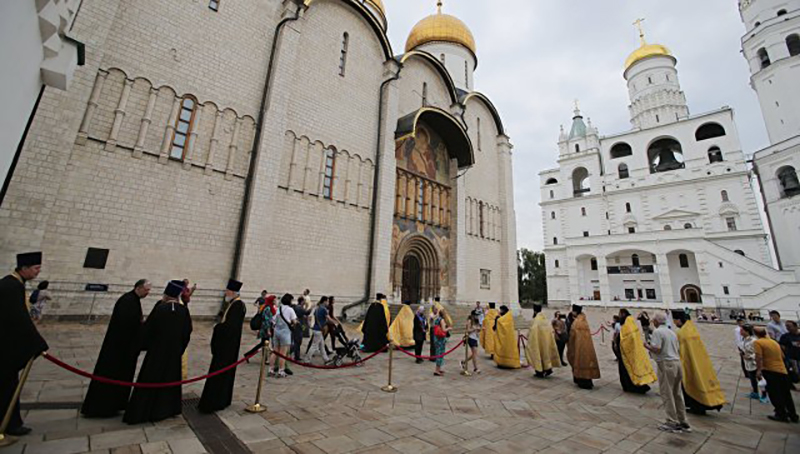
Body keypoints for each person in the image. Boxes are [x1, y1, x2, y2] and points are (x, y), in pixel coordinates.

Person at [124, 280, 193, 424]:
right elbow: (187, 332)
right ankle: (168, 408)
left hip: (156, 353)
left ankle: (144, 410)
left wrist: (144, 346)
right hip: (173, 354)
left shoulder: (160, 308)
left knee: (151, 378)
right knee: (171, 380)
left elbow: (148, 330)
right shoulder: (183, 311)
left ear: (166, 295)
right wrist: (179, 348)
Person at [82, 279, 151, 418]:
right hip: (119, 350)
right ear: (138, 287)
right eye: (146, 289)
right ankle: (104, 407)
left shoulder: (132, 300)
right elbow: (128, 325)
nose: (148, 293)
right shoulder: (128, 301)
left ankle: (117, 404)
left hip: (124, 348)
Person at [0, 252, 49, 436]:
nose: (38, 272)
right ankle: (9, 424)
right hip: (4, 349)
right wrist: (37, 343)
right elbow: (19, 319)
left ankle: (11, 422)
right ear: (24, 268)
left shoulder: (13, 284)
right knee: (7, 387)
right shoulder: (11, 286)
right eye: (36, 268)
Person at [198, 279, 246, 413]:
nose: (225, 292)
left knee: (220, 373)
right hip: (229, 346)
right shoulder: (234, 304)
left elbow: (230, 328)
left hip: (226, 348)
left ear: (232, 292)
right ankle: (222, 398)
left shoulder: (237, 306)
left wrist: (218, 328)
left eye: (227, 290)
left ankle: (215, 400)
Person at [671, 310, 726, 415]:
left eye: (674, 320)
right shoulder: (691, 329)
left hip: (688, 362)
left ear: (678, 320)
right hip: (700, 361)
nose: (674, 323)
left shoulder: (681, 333)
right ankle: (703, 403)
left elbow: (677, 349)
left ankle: (695, 406)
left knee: (691, 383)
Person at [644, 312, 690, 433]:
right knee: (677, 394)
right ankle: (683, 420)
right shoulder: (672, 332)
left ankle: (672, 421)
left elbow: (657, 349)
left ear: (656, 322)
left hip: (666, 364)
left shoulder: (658, 332)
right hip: (676, 363)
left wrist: (647, 346)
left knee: (667, 393)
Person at [754, 327, 798, 423]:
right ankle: (793, 415)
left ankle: (781, 414)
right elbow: (782, 356)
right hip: (782, 371)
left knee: (775, 394)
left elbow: (759, 357)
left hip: (770, 370)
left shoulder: (758, 342)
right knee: (786, 395)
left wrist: (759, 370)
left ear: (756, 334)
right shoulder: (773, 342)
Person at [617, 309, 656, 394]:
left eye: (620, 314)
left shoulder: (627, 326)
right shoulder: (631, 323)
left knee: (628, 370)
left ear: (623, 314)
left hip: (628, 354)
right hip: (631, 352)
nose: (619, 316)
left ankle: (632, 386)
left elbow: (627, 340)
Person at [567, 304, 600, 389]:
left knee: (580, 361)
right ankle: (587, 381)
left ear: (575, 311)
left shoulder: (577, 322)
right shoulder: (583, 320)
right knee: (585, 362)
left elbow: (573, 335)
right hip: (586, 346)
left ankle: (581, 380)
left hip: (578, 346)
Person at [524, 304, 560, 378]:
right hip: (546, 341)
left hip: (537, 341)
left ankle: (539, 371)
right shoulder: (545, 319)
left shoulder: (535, 320)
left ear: (534, 311)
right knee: (545, 354)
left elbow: (532, 331)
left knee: (537, 354)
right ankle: (548, 368)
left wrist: (528, 337)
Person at [268, 294, 297, 378]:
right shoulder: (290, 310)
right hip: (285, 332)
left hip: (277, 331)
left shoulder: (278, 308)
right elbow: (294, 321)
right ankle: (281, 371)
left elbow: (273, 320)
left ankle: (271, 369)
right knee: (283, 353)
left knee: (275, 351)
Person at [741, 324, 768, 402]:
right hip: (748, 363)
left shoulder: (754, 340)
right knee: (752, 379)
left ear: (747, 331)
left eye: (742, 330)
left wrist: (750, 357)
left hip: (755, 363)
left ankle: (764, 395)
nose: (741, 331)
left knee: (760, 379)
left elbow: (758, 352)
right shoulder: (744, 339)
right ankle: (755, 393)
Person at [307, 297, 331, 363]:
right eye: (327, 301)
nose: (328, 303)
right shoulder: (323, 309)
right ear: (324, 301)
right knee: (314, 346)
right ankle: (307, 360)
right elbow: (328, 318)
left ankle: (326, 359)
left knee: (322, 345)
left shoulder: (317, 308)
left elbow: (310, 317)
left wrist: (310, 325)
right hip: (319, 330)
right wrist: (335, 323)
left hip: (316, 328)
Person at [431, 306, 451, 376]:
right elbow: (443, 330)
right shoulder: (442, 320)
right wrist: (449, 328)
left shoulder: (437, 319)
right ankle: (437, 370)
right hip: (440, 339)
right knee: (440, 354)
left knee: (439, 353)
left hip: (437, 338)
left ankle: (438, 369)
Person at [779, 320, 800, 386]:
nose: (787, 328)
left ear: (796, 326)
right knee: (795, 373)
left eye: (789, 326)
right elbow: (782, 346)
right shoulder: (785, 336)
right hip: (792, 359)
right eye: (786, 326)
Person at [291, 297, 310, 361]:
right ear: (301, 301)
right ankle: (296, 355)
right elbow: (306, 312)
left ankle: (293, 352)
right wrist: (311, 307)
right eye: (304, 301)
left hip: (299, 326)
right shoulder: (299, 308)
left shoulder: (298, 307)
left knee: (296, 340)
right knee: (298, 341)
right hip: (298, 326)